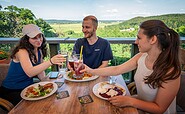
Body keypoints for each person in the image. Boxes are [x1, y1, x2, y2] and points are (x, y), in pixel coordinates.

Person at [81, 20, 181, 114]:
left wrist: (131, 101)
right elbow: (117, 69)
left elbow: (160, 108)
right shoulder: (140, 57)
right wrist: (90, 71)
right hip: (139, 106)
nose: (136, 42)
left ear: (153, 39)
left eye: (139, 38)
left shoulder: (170, 70)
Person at [0, 24, 65, 106]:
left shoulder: (38, 50)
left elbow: (41, 74)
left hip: (28, 88)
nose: (39, 40)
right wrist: (51, 62)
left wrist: (49, 81)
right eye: (34, 38)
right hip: (11, 90)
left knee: (53, 98)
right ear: (26, 39)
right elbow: (30, 72)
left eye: (40, 36)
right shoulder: (21, 51)